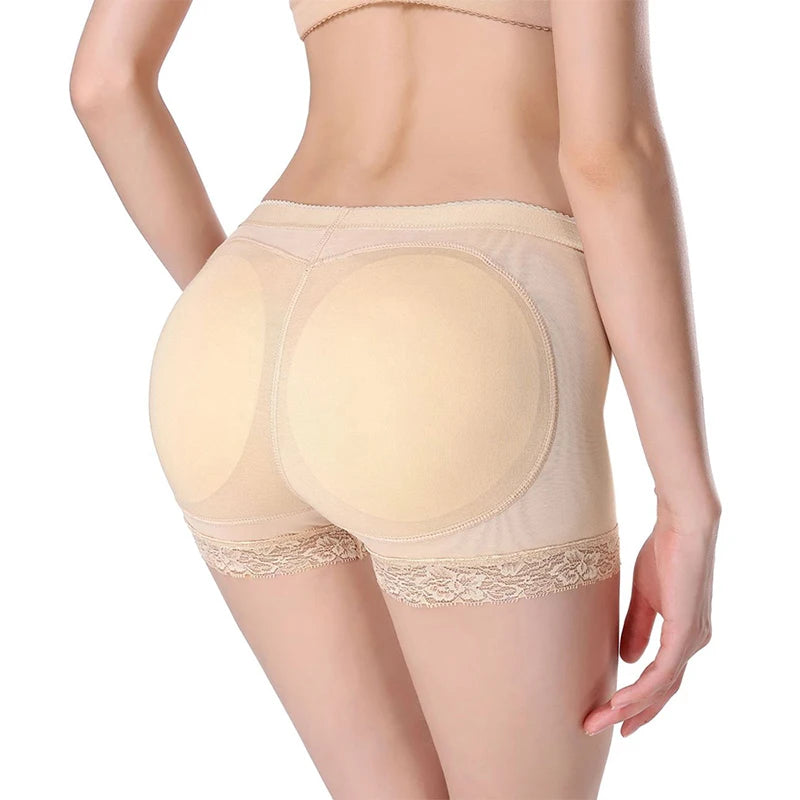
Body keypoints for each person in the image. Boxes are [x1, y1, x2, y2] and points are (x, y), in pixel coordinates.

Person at [70, 1, 720, 797]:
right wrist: (685, 503)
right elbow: (608, 155)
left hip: (242, 311)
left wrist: (245, 321)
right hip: (456, 312)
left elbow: (104, 83)